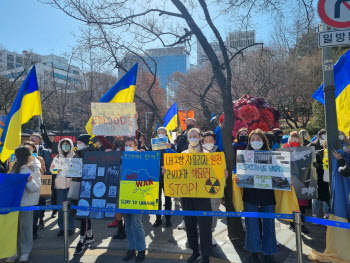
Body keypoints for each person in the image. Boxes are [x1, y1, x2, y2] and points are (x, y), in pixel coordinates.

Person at [166, 128, 212, 263]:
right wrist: (167, 171)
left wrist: (223, 174)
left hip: (203, 196)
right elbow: (176, 173)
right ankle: (195, 251)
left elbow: (216, 173)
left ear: (199, 138)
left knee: (204, 227)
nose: (193, 138)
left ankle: (206, 255)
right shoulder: (183, 154)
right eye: (190, 136)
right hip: (187, 195)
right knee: (190, 225)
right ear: (187, 139)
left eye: (195, 136)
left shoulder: (208, 154)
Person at [235, 129, 278, 263]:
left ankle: (269, 251)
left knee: (269, 225)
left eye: (258, 139)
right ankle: (253, 250)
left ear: (263, 141)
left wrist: (286, 181)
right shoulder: (243, 156)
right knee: (251, 225)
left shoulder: (272, 156)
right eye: (252, 139)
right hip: (250, 196)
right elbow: (237, 173)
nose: (255, 141)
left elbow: (280, 173)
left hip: (267, 196)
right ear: (249, 141)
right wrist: (236, 178)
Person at [6, 147, 41, 263]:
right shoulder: (15, 166)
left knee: (25, 227)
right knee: (14, 227)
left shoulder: (33, 167)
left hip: (27, 203)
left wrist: (30, 181)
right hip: (14, 202)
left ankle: (25, 251)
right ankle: (14, 251)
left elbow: (36, 188)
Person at [122, 137, 146, 263]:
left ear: (136, 147)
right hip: (124, 195)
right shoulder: (121, 159)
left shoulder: (141, 157)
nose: (128, 147)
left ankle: (141, 250)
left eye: (130, 145)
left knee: (136, 223)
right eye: (126, 145)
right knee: (128, 224)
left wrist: (142, 156)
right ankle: (131, 248)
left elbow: (148, 170)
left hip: (137, 195)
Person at [98, 135, 127, 239]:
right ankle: (120, 228)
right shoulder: (113, 146)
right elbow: (102, 138)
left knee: (124, 204)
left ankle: (126, 229)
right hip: (114, 179)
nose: (118, 136)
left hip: (125, 180)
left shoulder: (128, 145)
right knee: (116, 205)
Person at [73, 134, 96, 255]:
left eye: (80, 142)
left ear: (86, 143)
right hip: (79, 186)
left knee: (84, 215)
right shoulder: (78, 154)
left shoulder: (91, 153)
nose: (78, 144)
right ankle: (90, 235)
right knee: (84, 214)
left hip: (88, 187)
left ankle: (81, 240)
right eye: (77, 142)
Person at [283, 132, 309, 233]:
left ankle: (302, 224)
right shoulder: (285, 149)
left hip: (302, 181)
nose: (296, 143)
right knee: (292, 204)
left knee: (301, 205)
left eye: (298, 142)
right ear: (290, 140)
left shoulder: (303, 150)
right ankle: (292, 224)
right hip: (290, 181)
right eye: (294, 141)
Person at [50, 138, 75, 237]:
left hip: (70, 185)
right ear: (60, 146)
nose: (65, 147)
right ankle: (61, 228)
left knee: (70, 208)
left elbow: (77, 170)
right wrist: (57, 170)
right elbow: (51, 170)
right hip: (59, 186)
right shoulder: (57, 157)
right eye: (63, 145)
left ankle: (70, 228)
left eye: (67, 145)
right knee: (60, 208)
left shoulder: (75, 157)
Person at [152, 127, 176, 228]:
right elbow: (149, 157)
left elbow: (177, 159)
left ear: (166, 134)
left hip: (167, 176)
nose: (161, 134)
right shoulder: (153, 144)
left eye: (163, 133)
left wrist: (170, 148)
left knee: (167, 198)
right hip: (156, 176)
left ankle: (168, 219)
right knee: (157, 199)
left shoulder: (171, 145)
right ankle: (158, 219)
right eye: (159, 132)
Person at [202, 131, 223, 247]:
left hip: (214, 187)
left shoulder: (220, 154)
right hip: (200, 188)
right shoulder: (198, 153)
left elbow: (222, 171)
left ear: (214, 142)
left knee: (213, 211)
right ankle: (201, 233)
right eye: (205, 141)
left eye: (210, 141)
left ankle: (210, 233)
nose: (208, 143)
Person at [23, 141, 46, 240]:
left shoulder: (38, 160)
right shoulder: (18, 161)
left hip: (34, 191)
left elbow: (44, 172)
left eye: (30, 148)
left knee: (34, 213)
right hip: (23, 195)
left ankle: (34, 231)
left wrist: (39, 169)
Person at [30, 132, 55, 219]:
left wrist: (46, 177)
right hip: (30, 180)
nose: (31, 140)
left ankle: (41, 218)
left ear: (39, 140)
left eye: (33, 139)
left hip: (41, 179)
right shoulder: (26, 151)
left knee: (41, 200)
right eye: (30, 139)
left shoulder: (45, 151)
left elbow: (48, 165)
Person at [307, 129, 330, 219]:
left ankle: (326, 213)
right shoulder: (313, 145)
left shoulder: (330, 149)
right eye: (322, 135)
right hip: (317, 174)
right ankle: (314, 213)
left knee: (326, 195)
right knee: (316, 195)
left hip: (326, 174)